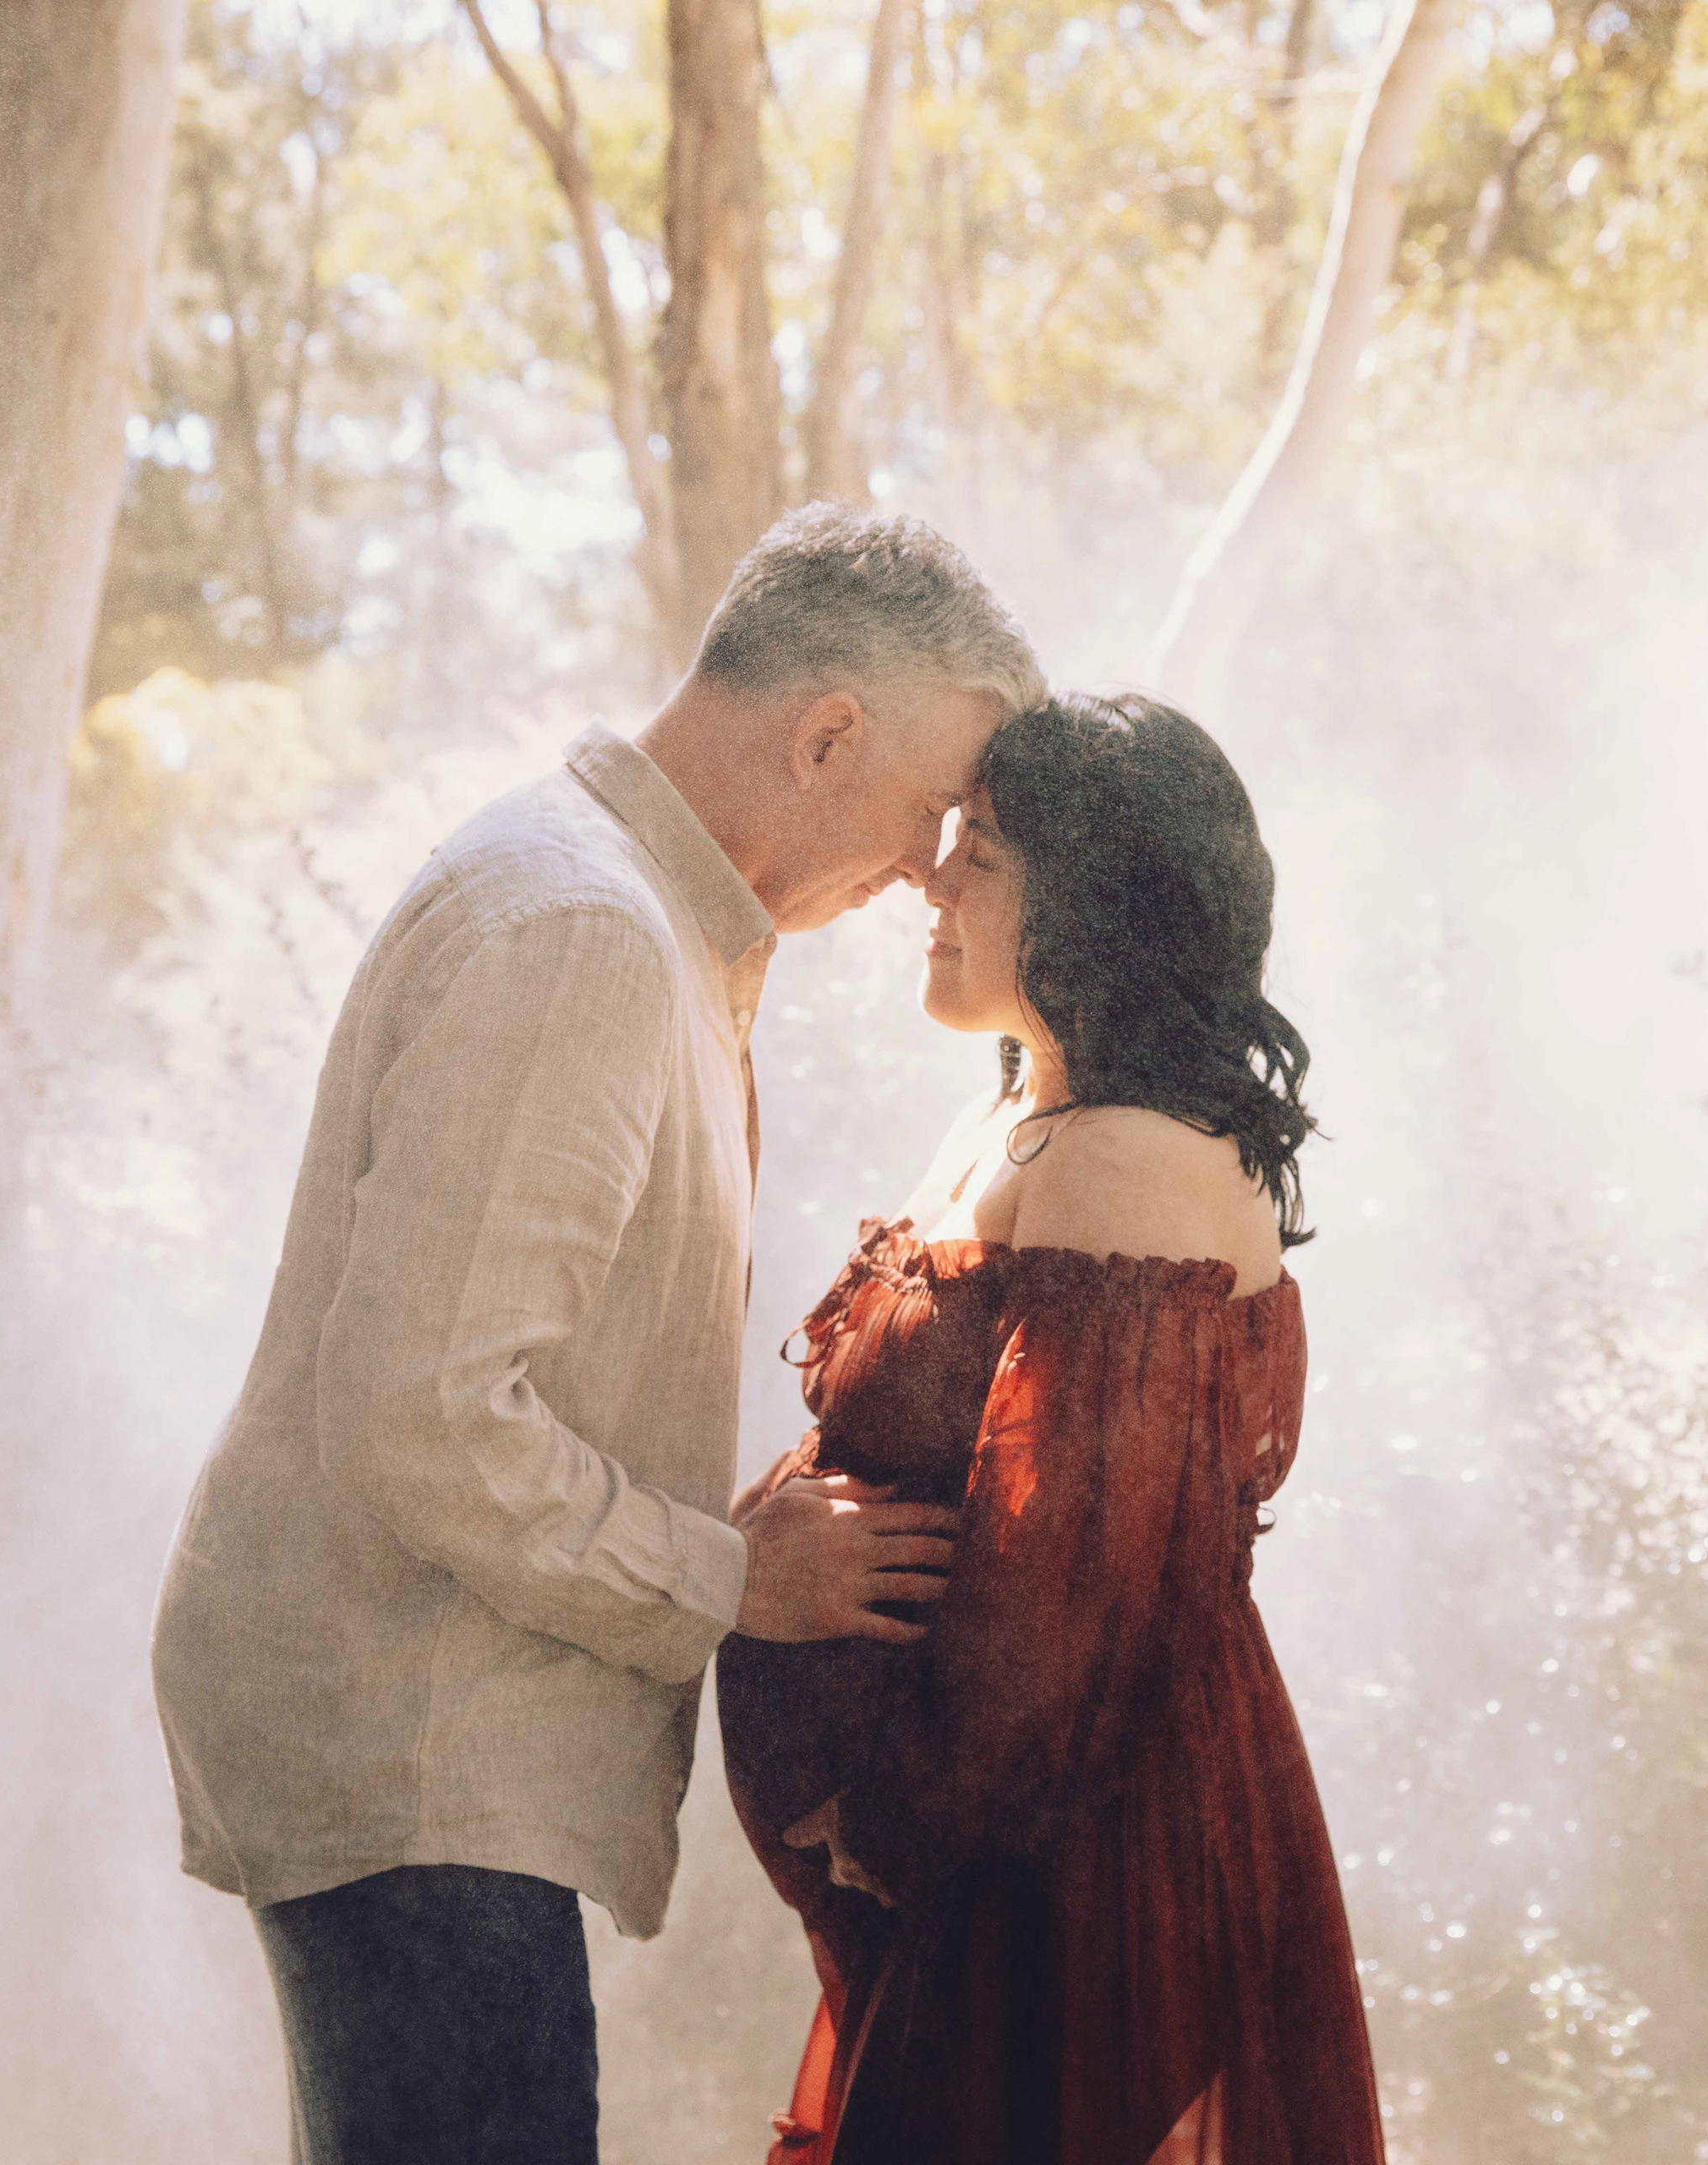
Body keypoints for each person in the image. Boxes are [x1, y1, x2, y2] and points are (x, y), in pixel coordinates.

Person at [149, 506, 1043, 2165]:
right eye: (931, 810)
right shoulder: (583, 939)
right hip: (415, 1752)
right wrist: (734, 1575)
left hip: (424, 1751)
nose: (933, 865)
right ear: (827, 731)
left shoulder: (634, 918)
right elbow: (425, 1418)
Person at [719, 693, 1386, 2163]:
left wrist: (892, 1815)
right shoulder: (1013, 1120)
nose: (934, 879)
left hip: (1070, 1851)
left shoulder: (1129, 1163)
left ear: (1097, 907)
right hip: (979, 1849)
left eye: (989, 857)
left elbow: (1068, 1582)